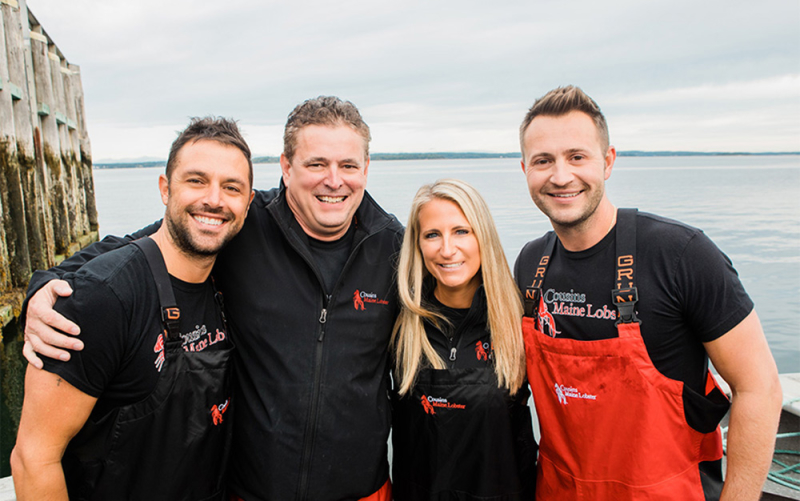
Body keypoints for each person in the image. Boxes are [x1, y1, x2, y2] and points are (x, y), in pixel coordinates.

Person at [21, 97, 402, 501]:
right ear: (287, 168)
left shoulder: (394, 247)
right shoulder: (243, 220)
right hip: (250, 490)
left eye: (348, 165)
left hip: (362, 490)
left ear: (366, 169)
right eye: (316, 164)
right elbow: (134, 248)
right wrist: (45, 286)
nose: (334, 180)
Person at [514, 85, 782, 500]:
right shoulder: (531, 266)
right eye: (543, 161)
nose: (561, 176)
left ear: (608, 161)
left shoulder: (681, 255)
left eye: (577, 157)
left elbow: (759, 388)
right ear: (525, 169)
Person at [10, 117, 255, 500]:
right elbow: (33, 458)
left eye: (231, 187)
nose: (214, 199)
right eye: (196, 180)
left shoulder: (226, 272)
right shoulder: (102, 298)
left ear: (249, 203)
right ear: (165, 188)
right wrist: (40, 287)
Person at [390, 179, 537, 500]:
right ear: (417, 245)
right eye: (432, 235)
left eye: (461, 231)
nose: (447, 249)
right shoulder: (399, 323)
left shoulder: (521, 319)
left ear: (482, 236)